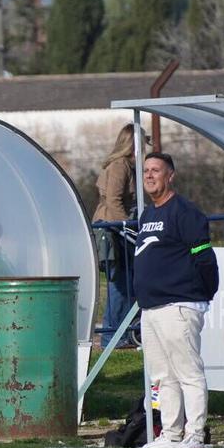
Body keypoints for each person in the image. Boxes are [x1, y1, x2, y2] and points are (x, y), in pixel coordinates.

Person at [132, 152, 219, 448]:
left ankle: (195, 435)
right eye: (145, 170)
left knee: (188, 373)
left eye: (156, 170)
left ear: (171, 176)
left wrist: (203, 293)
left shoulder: (184, 212)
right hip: (151, 309)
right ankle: (171, 434)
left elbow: (205, 258)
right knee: (162, 377)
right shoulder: (147, 214)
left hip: (179, 306)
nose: (150, 175)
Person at [92, 124, 145, 346]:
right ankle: (112, 337)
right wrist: (128, 225)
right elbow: (114, 199)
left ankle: (122, 334)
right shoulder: (119, 166)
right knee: (120, 284)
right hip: (112, 230)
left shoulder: (129, 166)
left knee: (128, 282)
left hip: (120, 228)